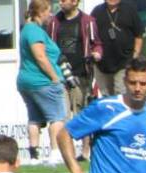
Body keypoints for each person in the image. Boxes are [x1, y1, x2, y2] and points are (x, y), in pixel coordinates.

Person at [47, 0, 103, 161]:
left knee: (82, 113)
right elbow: (49, 46)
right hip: (60, 75)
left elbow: (97, 44)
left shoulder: (87, 21)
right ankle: (65, 152)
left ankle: (85, 151)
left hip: (81, 75)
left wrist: (97, 54)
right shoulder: (54, 22)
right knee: (62, 115)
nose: (60, 3)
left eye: (64, 0)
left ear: (75, 2)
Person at [17, 0, 65, 166]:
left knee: (35, 118)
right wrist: (54, 78)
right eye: (48, 11)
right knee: (57, 117)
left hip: (26, 82)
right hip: (42, 81)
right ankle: (55, 152)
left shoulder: (27, 29)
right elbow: (40, 57)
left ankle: (34, 156)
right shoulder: (34, 31)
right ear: (40, 12)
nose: (50, 15)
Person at [91, 0, 144, 97]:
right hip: (102, 64)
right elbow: (90, 36)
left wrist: (135, 55)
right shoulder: (97, 11)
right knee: (106, 97)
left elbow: (139, 35)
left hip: (124, 62)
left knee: (121, 95)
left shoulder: (129, 10)